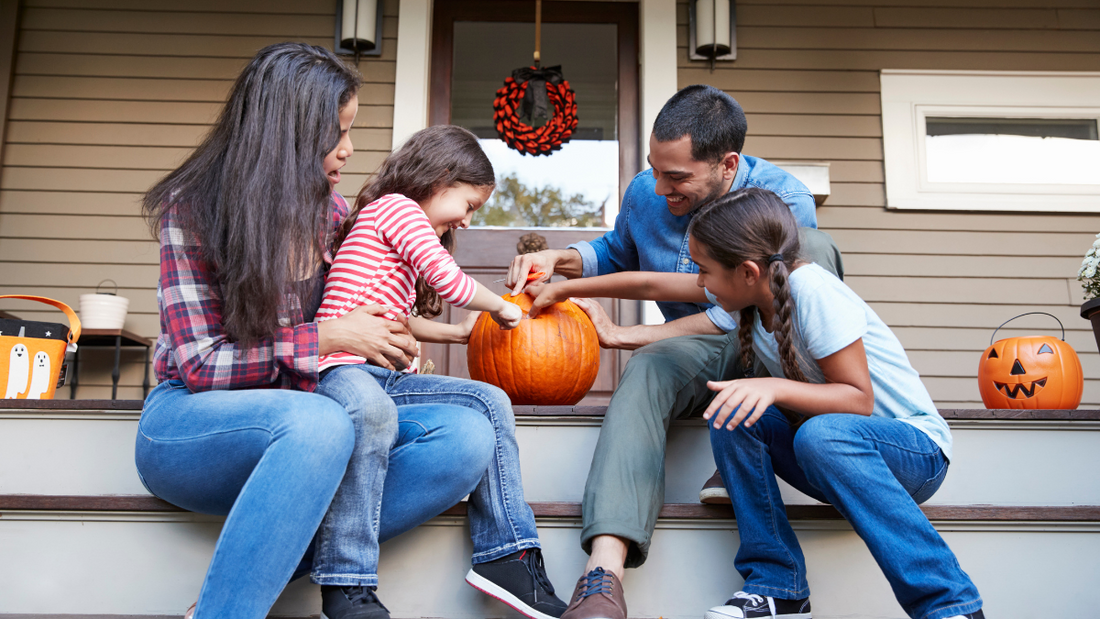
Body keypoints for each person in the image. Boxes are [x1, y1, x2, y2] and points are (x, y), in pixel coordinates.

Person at [135, 43, 493, 619]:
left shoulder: (332, 214)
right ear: (286, 133)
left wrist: (390, 336)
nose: (349, 150)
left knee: (466, 438)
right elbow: (201, 366)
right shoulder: (195, 209)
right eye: (337, 132)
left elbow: (357, 311)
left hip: (312, 421)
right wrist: (326, 339)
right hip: (192, 426)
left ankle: (253, 575)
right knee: (320, 423)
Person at [530, 187, 985, 619]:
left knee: (817, 432)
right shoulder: (749, 295)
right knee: (731, 414)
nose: (700, 282)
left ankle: (949, 603)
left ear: (747, 271)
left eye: (705, 270)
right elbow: (653, 284)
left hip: (913, 454)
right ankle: (777, 587)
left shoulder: (812, 292)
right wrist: (570, 292)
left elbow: (858, 400)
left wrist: (772, 388)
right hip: (829, 451)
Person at [506, 85, 842, 619]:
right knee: (649, 366)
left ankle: (775, 439)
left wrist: (618, 325)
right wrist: (558, 259)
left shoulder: (785, 199)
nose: (660, 188)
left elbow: (760, 310)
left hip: (761, 347)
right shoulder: (648, 190)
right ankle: (602, 576)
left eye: (678, 177)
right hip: (694, 348)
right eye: (655, 171)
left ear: (728, 165)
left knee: (815, 250)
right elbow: (615, 254)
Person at [310, 124, 568, 619]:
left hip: (379, 372)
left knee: (490, 401)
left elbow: (395, 317)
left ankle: (508, 554)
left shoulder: (390, 230)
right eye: (469, 206)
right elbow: (446, 280)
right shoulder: (398, 208)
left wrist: (458, 335)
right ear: (441, 177)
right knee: (373, 413)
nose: (468, 222)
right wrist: (503, 309)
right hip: (338, 370)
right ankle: (348, 584)